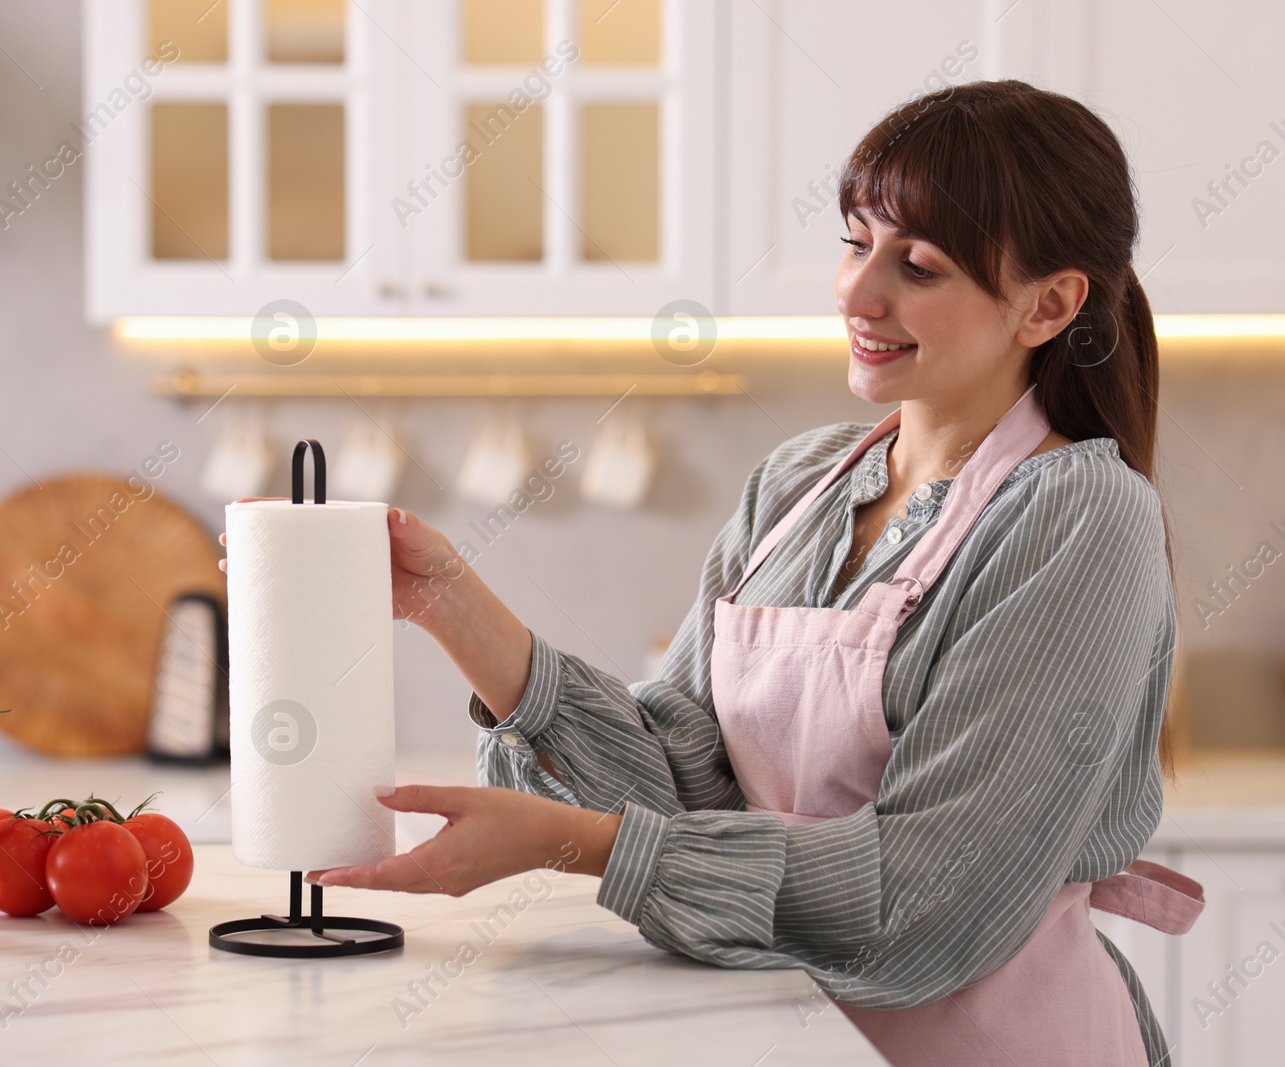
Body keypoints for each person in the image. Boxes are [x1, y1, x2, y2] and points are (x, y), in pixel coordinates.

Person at [226, 80, 1206, 1066]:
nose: (859, 294)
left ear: (1050, 303)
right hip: (787, 1033)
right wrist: (447, 601)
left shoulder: (1080, 519)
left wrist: (574, 842)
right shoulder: (800, 485)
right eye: (853, 241)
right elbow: (680, 776)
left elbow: (931, 895)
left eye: (917, 265)